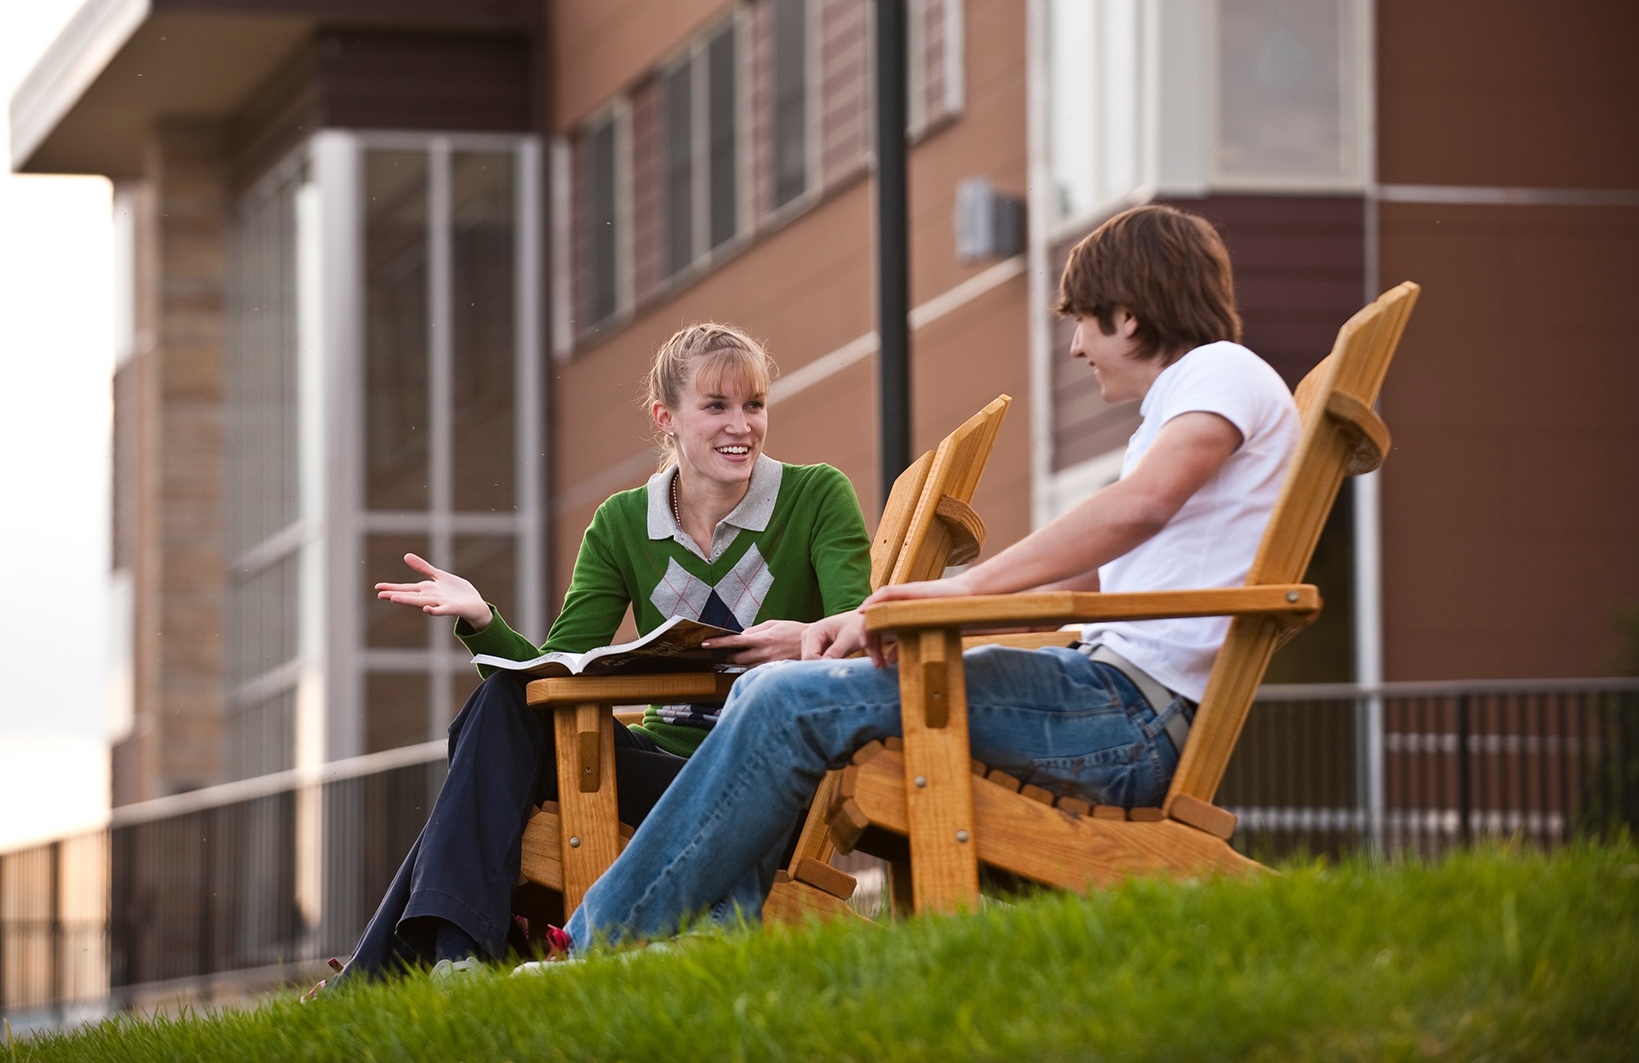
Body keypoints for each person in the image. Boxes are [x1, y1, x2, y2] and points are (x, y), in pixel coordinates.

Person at [563, 204, 1302, 949]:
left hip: (1127, 719)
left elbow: (1140, 505)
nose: (1077, 347)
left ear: (1130, 317)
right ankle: (693, 937)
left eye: (1083, 321)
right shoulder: (1190, 401)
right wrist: (897, 617)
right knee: (772, 691)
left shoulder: (1221, 370)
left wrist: (963, 593)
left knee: (785, 701)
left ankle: (599, 947)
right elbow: (1118, 584)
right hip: (1104, 696)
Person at [323, 322, 872, 988]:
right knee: (503, 702)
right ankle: (456, 960)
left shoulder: (815, 497)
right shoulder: (621, 524)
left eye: (754, 405)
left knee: (492, 737)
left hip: (763, 776)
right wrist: (482, 620)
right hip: (661, 771)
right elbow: (555, 675)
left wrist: (802, 639)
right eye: (717, 406)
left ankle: (411, 963)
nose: (742, 426)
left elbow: (858, 627)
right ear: (665, 418)